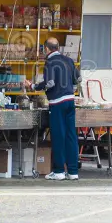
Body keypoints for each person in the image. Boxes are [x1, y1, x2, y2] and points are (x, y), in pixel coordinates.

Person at [30, 37, 80, 181]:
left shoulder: (50, 62)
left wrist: (35, 86)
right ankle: (72, 172)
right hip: (70, 101)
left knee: (58, 136)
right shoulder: (69, 61)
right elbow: (78, 80)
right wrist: (71, 90)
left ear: (46, 49)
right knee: (71, 136)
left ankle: (58, 171)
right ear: (58, 47)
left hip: (57, 103)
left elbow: (50, 83)